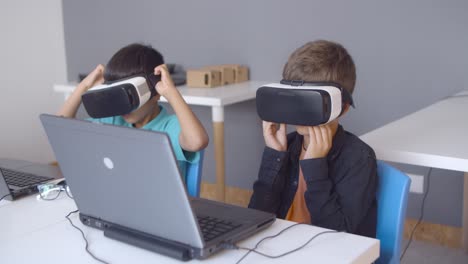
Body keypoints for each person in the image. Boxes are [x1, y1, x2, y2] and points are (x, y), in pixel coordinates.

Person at [248, 40, 378, 237]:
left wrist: (315, 167)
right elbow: (256, 219)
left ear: (342, 108)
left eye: (309, 102)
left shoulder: (359, 159)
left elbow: (339, 237)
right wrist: (274, 156)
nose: (298, 111)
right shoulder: (288, 145)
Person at [57, 43, 209, 177]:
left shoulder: (169, 128)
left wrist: (171, 92)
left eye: (129, 97)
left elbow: (196, 142)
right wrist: (83, 86)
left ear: (155, 93)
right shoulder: (112, 120)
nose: (123, 106)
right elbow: (59, 129)